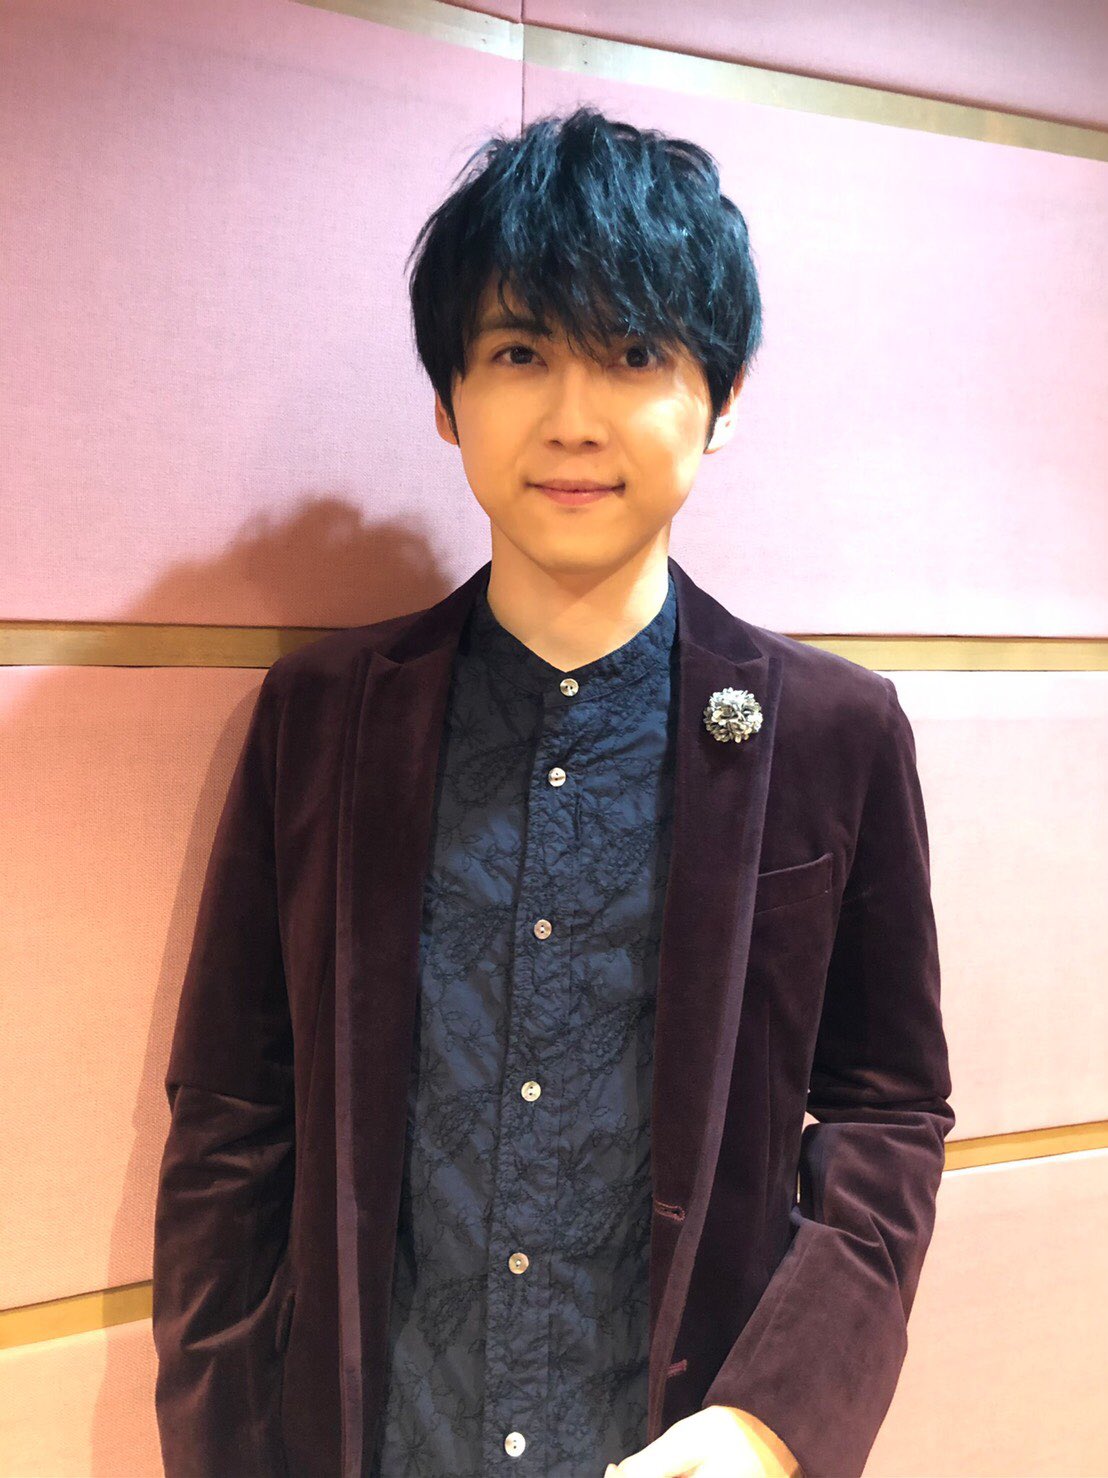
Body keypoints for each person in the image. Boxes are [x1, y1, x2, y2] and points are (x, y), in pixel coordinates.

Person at [152, 106, 954, 1478]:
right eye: (521, 352)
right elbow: (234, 1123)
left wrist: (778, 1420)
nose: (574, 419)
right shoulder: (324, 721)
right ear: (448, 398)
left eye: (634, 354)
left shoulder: (836, 733)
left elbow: (888, 1109)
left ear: (722, 394)